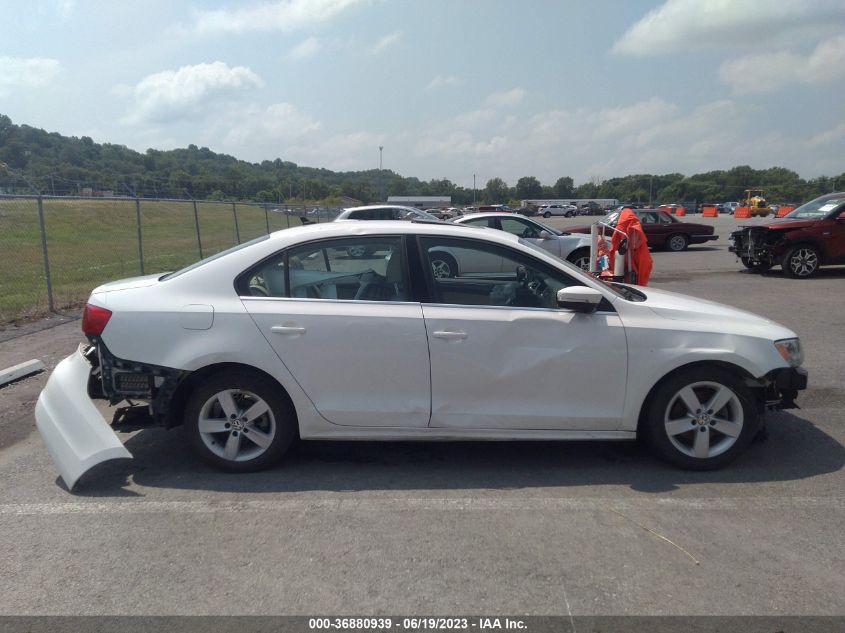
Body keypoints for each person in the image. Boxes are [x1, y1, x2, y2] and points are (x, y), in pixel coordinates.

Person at [610, 209, 653, 286]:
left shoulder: (624, 228)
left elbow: (614, 245)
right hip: (631, 261)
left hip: (628, 262)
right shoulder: (635, 227)